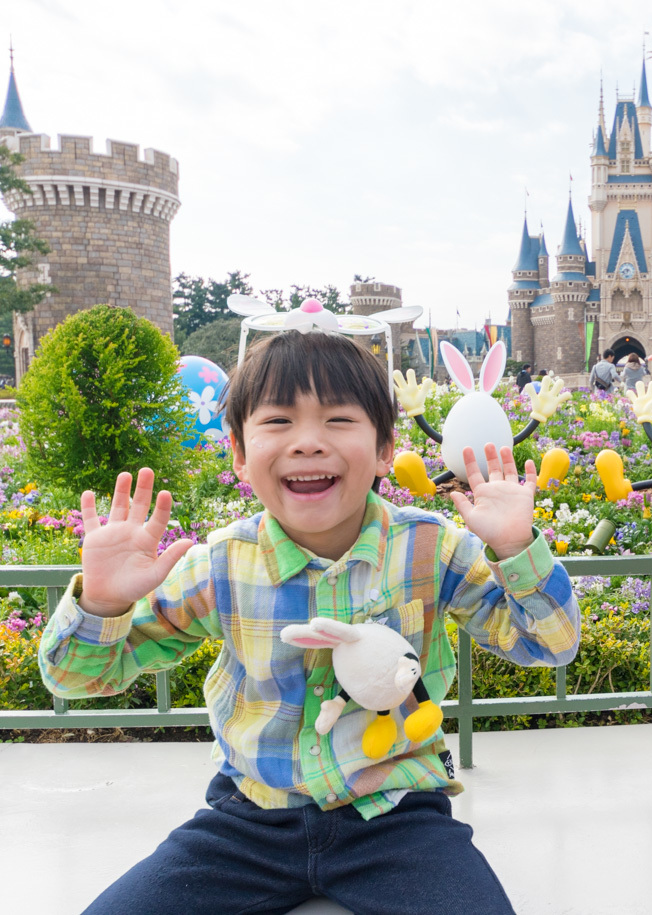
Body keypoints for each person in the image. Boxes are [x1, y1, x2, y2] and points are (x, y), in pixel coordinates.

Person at [39, 330, 580, 914]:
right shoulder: (220, 565)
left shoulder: (432, 550)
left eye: (339, 419)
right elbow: (77, 680)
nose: (308, 443)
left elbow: (550, 645)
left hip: (395, 819)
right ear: (239, 452)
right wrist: (102, 605)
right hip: (249, 824)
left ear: (382, 449)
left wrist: (517, 550)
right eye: (277, 421)